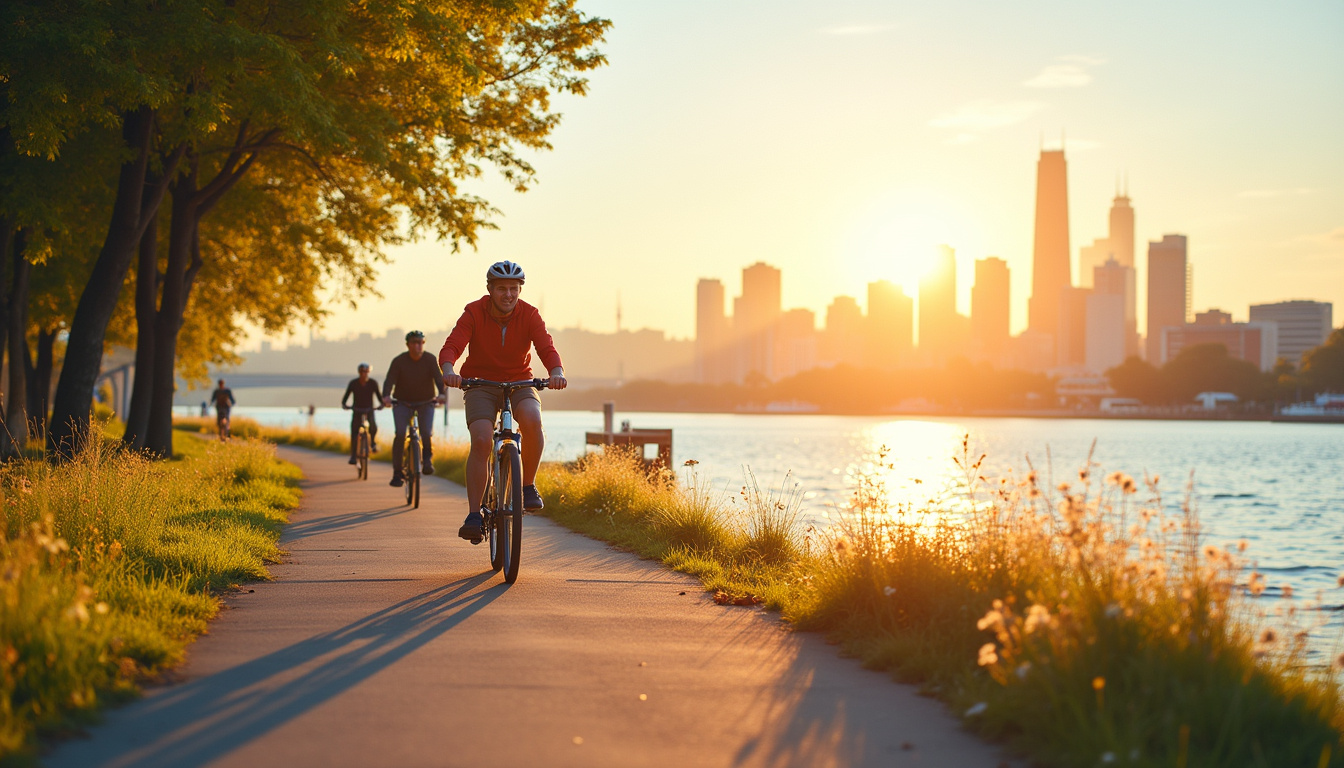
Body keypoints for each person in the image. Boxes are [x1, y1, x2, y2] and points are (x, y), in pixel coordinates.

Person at [440, 260, 567, 543]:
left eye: (513, 288)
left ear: (520, 290)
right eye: (501, 289)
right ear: (490, 289)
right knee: (482, 440)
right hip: (480, 384)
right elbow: (453, 345)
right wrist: (449, 370)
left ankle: (528, 486)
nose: (508, 294)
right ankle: (474, 515)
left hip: (520, 382)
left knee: (532, 419)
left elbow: (546, 347)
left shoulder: (530, 314)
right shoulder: (474, 312)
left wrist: (556, 372)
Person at [382, 330, 447, 487]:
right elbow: (389, 380)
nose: (418, 346)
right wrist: (386, 396)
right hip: (402, 403)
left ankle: (427, 460)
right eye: (414, 342)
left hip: (426, 402)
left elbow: (439, 379)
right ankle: (397, 473)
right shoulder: (399, 361)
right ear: (408, 345)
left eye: (420, 342)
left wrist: (442, 394)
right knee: (400, 434)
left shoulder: (430, 359)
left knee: (426, 432)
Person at [341, 363, 383, 464]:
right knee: (354, 432)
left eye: (366, 372)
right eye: (362, 372)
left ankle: (372, 443)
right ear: (359, 372)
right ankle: (353, 456)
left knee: (373, 426)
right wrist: (345, 405)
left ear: (368, 372)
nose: (364, 374)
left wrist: (381, 405)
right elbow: (345, 398)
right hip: (357, 410)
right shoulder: (353, 383)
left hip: (369, 410)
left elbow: (379, 397)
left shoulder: (373, 383)